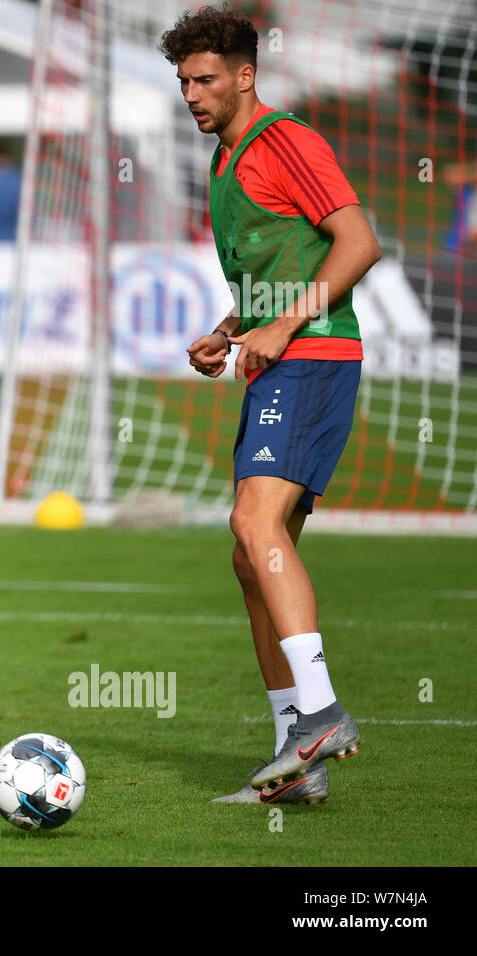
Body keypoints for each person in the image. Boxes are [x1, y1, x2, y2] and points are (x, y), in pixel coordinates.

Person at [166, 7, 382, 804]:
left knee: (252, 526)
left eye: (206, 79)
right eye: (184, 81)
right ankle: (299, 764)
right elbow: (274, 272)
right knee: (250, 555)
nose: (192, 94)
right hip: (275, 364)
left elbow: (358, 240)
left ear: (246, 75)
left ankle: (321, 713)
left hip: (314, 359)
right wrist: (230, 330)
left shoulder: (286, 141)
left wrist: (284, 325)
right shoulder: (225, 164)